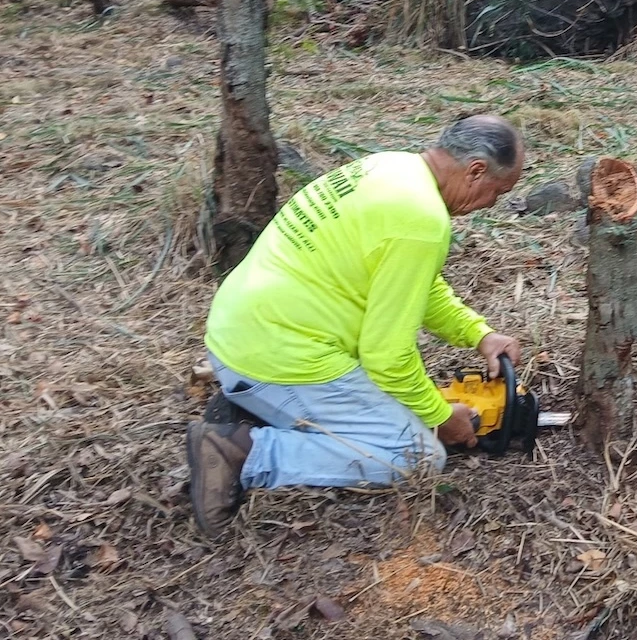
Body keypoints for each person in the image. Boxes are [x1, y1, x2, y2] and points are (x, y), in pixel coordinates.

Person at [187, 115, 526, 538]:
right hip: (280, 355)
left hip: (239, 335)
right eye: (498, 191)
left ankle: (251, 408)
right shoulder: (420, 220)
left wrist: (479, 334)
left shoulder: (390, 168)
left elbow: (419, 284)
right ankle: (243, 451)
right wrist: (441, 418)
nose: (492, 203)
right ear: (476, 170)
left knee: (399, 408)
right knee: (416, 454)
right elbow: (387, 357)